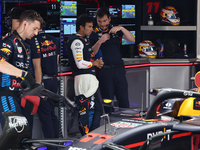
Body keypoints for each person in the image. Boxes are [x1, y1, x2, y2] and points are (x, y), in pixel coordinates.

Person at [0, 10, 43, 129]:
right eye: (34, 28)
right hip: (7, 96)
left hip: (20, 97)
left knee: (22, 137)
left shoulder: (26, 46)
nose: (36, 33)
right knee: (14, 136)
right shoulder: (8, 42)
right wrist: (24, 74)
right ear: (25, 24)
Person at [89, 7, 135, 114]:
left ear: (109, 19)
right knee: (108, 102)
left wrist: (122, 28)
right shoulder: (94, 32)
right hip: (105, 71)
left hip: (119, 70)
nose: (102, 24)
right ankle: (109, 126)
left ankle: (125, 125)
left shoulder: (114, 29)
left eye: (104, 21)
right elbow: (91, 53)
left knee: (124, 101)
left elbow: (131, 39)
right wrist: (100, 41)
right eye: (99, 21)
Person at [67, 14, 104, 135]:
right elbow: (79, 64)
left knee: (97, 109)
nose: (92, 29)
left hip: (89, 79)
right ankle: (87, 139)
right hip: (83, 80)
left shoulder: (84, 40)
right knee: (88, 111)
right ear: (81, 27)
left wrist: (96, 63)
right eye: (89, 27)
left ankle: (92, 136)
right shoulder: (77, 41)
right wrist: (94, 63)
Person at [26, 23, 60, 150]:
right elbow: (56, 60)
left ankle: (52, 147)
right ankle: (58, 143)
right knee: (52, 114)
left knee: (45, 116)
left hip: (42, 81)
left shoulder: (33, 40)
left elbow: (36, 65)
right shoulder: (54, 39)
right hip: (53, 80)